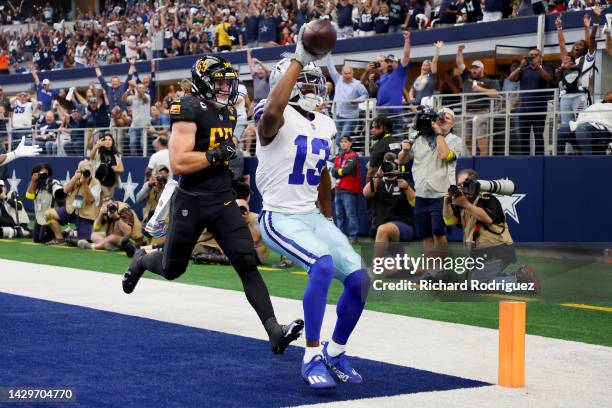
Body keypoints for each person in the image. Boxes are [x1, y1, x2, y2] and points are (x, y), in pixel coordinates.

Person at [122, 55, 304, 355]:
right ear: (203, 83)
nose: (225, 88)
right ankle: (142, 259)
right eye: (219, 82)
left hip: (221, 198)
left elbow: (218, 155)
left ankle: (274, 331)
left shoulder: (228, 111)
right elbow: (179, 162)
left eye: (227, 82)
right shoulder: (188, 107)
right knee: (172, 269)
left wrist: (231, 181)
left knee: (246, 261)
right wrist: (217, 155)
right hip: (191, 201)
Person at [255, 23, 369, 389]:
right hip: (278, 215)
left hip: (310, 215)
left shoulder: (325, 123)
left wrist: (328, 214)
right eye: (300, 79)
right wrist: (297, 58)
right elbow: (272, 115)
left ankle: (336, 351)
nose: (309, 86)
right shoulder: (271, 111)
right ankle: (311, 355)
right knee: (321, 266)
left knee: (360, 278)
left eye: (310, 79)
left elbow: (320, 173)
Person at [442, 169, 541, 291]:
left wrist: (465, 204)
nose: (461, 187)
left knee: (477, 284)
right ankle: (520, 274)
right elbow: (449, 221)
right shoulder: (463, 203)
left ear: (474, 183)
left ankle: (521, 281)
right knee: (475, 281)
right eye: (458, 184)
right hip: (483, 255)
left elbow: (487, 218)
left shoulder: (487, 198)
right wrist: (446, 202)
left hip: (497, 251)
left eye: (464, 183)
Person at [399, 108, 463, 261]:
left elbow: (443, 155)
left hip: (441, 194)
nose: (443, 120)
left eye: (447, 118)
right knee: (426, 235)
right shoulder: (418, 137)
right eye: (440, 117)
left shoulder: (455, 140)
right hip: (421, 193)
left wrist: (438, 133)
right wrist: (405, 150)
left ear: (453, 123)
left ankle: (441, 271)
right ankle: (431, 271)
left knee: (438, 233)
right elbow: (401, 161)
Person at [362, 152, 415, 276]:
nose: (391, 167)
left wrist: (407, 188)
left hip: (403, 227)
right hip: (381, 232)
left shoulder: (404, 182)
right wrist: (378, 174)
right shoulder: (377, 182)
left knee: (384, 229)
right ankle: (416, 269)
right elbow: (366, 193)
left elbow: (414, 203)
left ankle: (373, 270)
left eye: (394, 164)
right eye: (387, 165)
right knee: (390, 271)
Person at [556, 9, 600, 129]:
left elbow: (589, 42)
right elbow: (562, 45)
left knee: (580, 126)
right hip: (565, 96)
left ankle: (581, 147)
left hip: (579, 96)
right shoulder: (567, 60)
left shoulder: (587, 59)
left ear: (585, 49)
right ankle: (569, 148)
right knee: (566, 128)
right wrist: (559, 28)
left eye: (580, 45)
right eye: (575, 44)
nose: (577, 46)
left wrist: (587, 27)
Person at [456, 43, 500, 156]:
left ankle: (483, 159)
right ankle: (471, 158)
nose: (474, 70)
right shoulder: (467, 77)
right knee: (466, 138)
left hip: (481, 111)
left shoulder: (489, 81)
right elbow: (460, 63)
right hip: (467, 111)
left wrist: (480, 89)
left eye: (476, 68)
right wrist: (459, 51)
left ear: (482, 69)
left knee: (481, 137)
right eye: (472, 68)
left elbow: (495, 94)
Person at [507, 48, 553, 155]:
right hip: (524, 108)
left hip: (539, 108)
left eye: (535, 55)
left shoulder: (545, 68)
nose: (532, 57)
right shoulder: (524, 69)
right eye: (530, 55)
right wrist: (521, 66)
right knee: (523, 136)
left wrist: (538, 67)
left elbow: (549, 79)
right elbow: (511, 78)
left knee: (538, 135)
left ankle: (539, 159)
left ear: (540, 57)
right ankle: (525, 160)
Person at [45, 159, 101, 244]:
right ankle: (59, 239)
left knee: (84, 241)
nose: (88, 173)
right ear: (80, 171)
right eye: (86, 170)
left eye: (90, 170)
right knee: (48, 214)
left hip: (85, 215)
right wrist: (75, 178)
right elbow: (65, 190)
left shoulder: (96, 183)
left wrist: (84, 183)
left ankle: (72, 234)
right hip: (71, 210)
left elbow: (90, 200)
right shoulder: (76, 178)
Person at [325, 54, 369, 146]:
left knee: (344, 138)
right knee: (337, 140)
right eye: (345, 73)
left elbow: (365, 95)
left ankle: (343, 156)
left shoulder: (357, 84)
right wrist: (328, 54)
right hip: (337, 114)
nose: (347, 75)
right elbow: (330, 68)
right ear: (342, 73)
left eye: (349, 73)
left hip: (350, 116)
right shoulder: (338, 79)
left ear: (352, 73)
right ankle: (340, 157)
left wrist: (357, 100)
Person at [367, 32, 411, 114]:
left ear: (397, 63)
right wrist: (371, 81)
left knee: (395, 127)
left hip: (393, 110)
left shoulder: (399, 73)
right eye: (388, 62)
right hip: (382, 109)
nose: (389, 63)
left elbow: (406, 56)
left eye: (392, 61)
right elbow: (373, 90)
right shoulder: (383, 76)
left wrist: (407, 39)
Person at [78, 196, 143, 251]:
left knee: (112, 237)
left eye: (110, 205)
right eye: (107, 206)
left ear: (115, 202)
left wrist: (117, 217)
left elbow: (128, 232)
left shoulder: (125, 210)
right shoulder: (106, 211)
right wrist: (100, 214)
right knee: (93, 235)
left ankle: (94, 246)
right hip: (116, 236)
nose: (110, 207)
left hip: (132, 240)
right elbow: (95, 229)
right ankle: (109, 245)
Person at [25, 163, 65, 243]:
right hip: (39, 216)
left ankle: (64, 234)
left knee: (43, 238)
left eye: (46, 173)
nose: (44, 175)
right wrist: (33, 181)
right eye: (41, 173)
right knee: (36, 239)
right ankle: (63, 233)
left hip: (49, 216)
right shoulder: (34, 184)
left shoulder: (52, 182)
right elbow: (29, 196)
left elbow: (61, 195)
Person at [332, 135, 361, 244]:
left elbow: (345, 170)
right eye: (341, 142)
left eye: (345, 142)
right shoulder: (339, 156)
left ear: (350, 143)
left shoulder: (353, 156)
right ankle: (340, 236)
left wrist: (338, 171)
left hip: (349, 190)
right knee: (339, 215)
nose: (343, 144)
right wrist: (339, 171)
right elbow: (333, 171)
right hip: (338, 189)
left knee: (350, 214)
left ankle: (353, 237)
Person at [408, 41, 442, 110]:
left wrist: (437, 49)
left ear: (430, 68)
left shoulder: (431, 76)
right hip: (417, 104)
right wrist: (411, 99)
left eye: (427, 66)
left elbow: (434, 61)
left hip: (427, 104)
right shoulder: (417, 78)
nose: (425, 67)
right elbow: (411, 90)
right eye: (424, 65)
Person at [366, 116, 402, 180]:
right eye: (372, 127)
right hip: (400, 182)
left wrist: (367, 187)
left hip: (383, 184)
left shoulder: (379, 145)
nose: (372, 130)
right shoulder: (397, 143)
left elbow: (372, 171)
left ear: (385, 128)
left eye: (376, 127)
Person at [90, 133, 124, 197]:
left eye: (109, 139)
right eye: (105, 139)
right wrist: (96, 146)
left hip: (111, 183)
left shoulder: (117, 155)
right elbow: (91, 156)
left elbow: (122, 169)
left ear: (112, 142)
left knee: (106, 203)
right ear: (102, 141)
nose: (107, 141)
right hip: (99, 182)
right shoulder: (98, 152)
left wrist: (116, 169)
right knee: (108, 197)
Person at [123, 81, 151, 156]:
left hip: (144, 126)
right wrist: (129, 90)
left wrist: (135, 86)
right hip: (134, 126)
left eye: (143, 88)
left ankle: (147, 158)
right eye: (140, 88)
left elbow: (143, 96)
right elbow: (123, 99)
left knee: (143, 145)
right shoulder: (132, 98)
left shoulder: (147, 96)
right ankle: (134, 160)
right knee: (132, 144)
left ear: (145, 89)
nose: (141, 89)